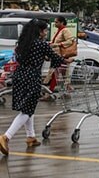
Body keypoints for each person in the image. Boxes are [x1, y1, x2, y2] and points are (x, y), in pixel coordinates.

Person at [0, 19, 71, 155]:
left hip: (19, 76)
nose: (46, 33)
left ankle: (30, 136)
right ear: (39, 31)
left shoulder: (22, 43)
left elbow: (20, 58)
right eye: (45, 30)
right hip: (32, 78)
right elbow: (55, 58)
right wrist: (67, 60)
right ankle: (6, 137)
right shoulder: (41, 44)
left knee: (28, 107)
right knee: (27, 111)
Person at [43, 16, 76, 99]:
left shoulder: (65, 31)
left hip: (61, 56)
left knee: (55, 74)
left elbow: (70, 41)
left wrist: (58, 44)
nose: (55, 24)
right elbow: (55, 41)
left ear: (62, 22)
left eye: (56, 22)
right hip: (57, 56)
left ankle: (49, 94)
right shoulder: (59, 31)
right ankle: (63, 92)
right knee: (58, 75)